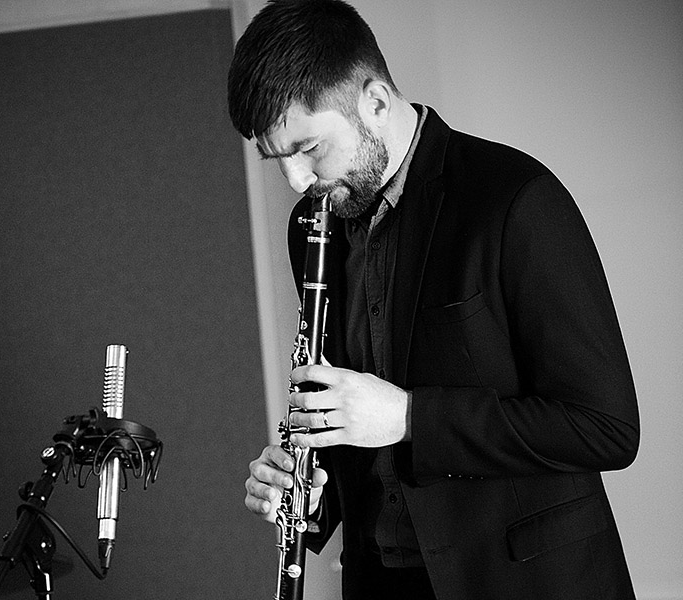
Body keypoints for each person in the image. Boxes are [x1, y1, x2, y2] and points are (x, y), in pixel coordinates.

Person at [227, 1, 640, 598]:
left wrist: (407, 417)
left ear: (373, 102)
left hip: (526, 582)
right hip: (387, 582)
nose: (295, 181)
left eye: (309, 148)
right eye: (277, 160)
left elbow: (605, 428)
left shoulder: (514, 198)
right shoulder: (313, 227)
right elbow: (361, 436)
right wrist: (313, 494)